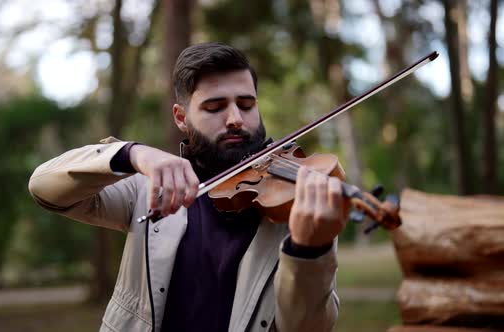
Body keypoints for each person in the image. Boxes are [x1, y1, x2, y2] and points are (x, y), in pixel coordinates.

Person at [28, 42, 348, 332]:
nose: (236, 118)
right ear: (182, 118)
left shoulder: (298, 207)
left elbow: (310, 328)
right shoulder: (149, 190)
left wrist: (309, 251)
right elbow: (44, 186)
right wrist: (133, 153)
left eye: (247, 104)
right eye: (215, 107)